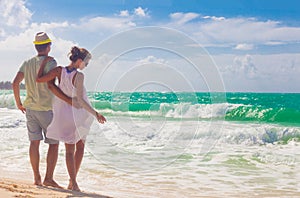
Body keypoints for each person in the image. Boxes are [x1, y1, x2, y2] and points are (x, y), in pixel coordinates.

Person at [12, 32, 79, 187]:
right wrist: (68, 100)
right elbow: (51, 85)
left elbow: (15, 83)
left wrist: (19, 103)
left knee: (34, 143)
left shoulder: (27, 62)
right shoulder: (51, 62)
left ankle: (37, 178)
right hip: (47, 109)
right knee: (53, 144)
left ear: (36, 46)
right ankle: (48, 178)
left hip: (30, 109)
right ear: (48, 47)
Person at [36, 46, 106, 191]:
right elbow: (80, 100)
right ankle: (73, 183)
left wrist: (43, 64)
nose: (86, 66)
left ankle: (72, 182)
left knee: (70, 149)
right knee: (79, 147)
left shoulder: (58, 71)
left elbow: (39, 79)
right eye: (86, 64)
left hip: (64, 114)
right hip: (79, 115)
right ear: (79, 61)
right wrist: (95, 113)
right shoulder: (79, 76)